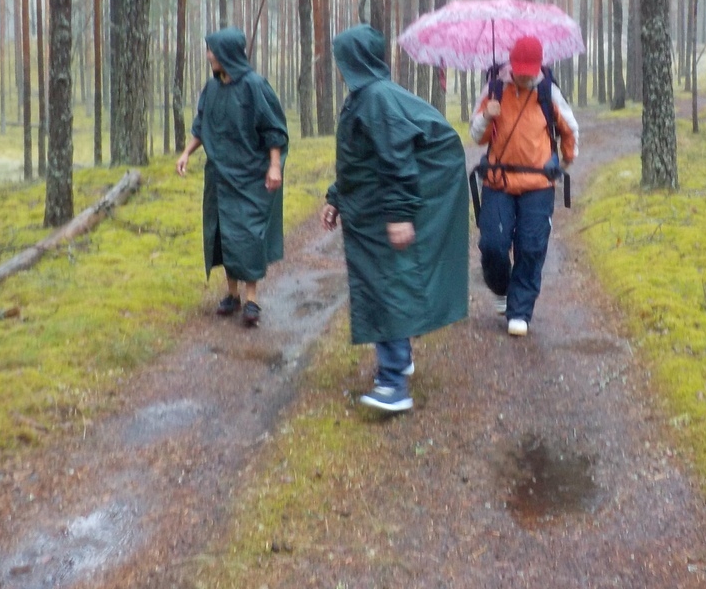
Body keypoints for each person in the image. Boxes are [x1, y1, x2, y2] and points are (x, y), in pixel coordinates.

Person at [320, 24, 470, 414]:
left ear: (356, 58)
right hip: (367, 212)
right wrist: (336, 197)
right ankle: (399, 360)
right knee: (385, 284)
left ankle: (393, 384)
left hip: (380, 214)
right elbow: (359, 160)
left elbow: (397, 159)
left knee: (384, 289)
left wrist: (401, 214)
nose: (337, 66)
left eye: (341, 58)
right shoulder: (364, 97)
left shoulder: (377, 98)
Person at [177, 27, 288, 327]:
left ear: (226, 53)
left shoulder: (255, 86)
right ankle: (232, 294)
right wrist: (186, 153)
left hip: (250, 175)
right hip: (219, 176)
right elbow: (201, 125)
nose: (208, 55)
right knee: (223, 234)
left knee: (248, 235)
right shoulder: (212, 88)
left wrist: (274, 166)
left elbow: (273, 130)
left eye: (212, 50)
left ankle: (252, 299)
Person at [470, 35, 578, 337]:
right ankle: (501, 287)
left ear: (539, 67)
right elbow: (476, 136)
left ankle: (520, 311)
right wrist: (486, 116)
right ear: (512, 65)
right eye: (520, 71)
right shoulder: (494, 90)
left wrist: (565, 161)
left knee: (531, 246)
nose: (525, 77)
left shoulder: (548, 92)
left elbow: (570, 130)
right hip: (498, 181)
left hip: (538, 184)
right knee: (493, 244)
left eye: (530, 71)